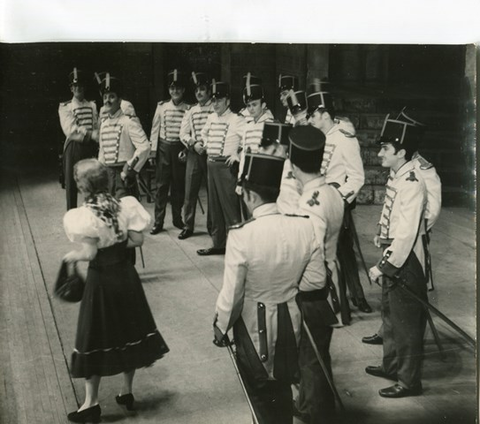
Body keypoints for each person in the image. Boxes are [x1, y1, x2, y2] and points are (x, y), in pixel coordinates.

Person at [213, 152, 328, 424]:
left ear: (251, 196)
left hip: (254, 326)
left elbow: (233, 294)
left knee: (261, 398)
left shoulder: (242, 235)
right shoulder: (305, 227)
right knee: (284, 390)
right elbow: (316, 280)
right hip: (292, 321)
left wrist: (221, 324)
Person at [62, 159, 169, 423]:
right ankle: (127, 391)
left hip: (102, 279)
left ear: (84, 186)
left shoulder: (86, 215)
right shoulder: (124, 206)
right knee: (128, 330)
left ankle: (91, 403)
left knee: (94, 335)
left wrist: (71, 257)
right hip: (125, 275)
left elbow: (90, 252)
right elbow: (138, 239)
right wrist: (117, 243)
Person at [362, 109, 442, 345]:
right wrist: (383, 228)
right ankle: (388, 334)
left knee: (408, 293)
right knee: (391, 291)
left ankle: (403, 340)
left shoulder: (422, 170)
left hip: (412, 238)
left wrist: (411, 231)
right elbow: (391, 202)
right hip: (395, 238)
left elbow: (432, 210)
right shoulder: (399, 167)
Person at [366, 115, 428, 398]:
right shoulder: (400, 174)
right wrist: (382, 231)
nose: (379, 153)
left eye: (385, 149)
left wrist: (383, 265)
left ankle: (409, 382)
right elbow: (391, 215)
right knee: (390, 316)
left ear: (401, 151)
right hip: (394, 251)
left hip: (406, 261)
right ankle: (391, 366)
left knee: (406, 326)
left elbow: (406, 235)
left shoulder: (413, 181)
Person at [289, 125, 344, 423]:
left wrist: (300, 291)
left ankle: (313, 413)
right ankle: (315, 405)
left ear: (295, 165)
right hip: (331, 285)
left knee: (310, 359)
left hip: (314, 292)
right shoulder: (332, 192)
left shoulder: (308, 205)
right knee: (318, 356)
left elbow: (311, 257)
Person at [307, 90, 372, 322]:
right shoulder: (316, 137)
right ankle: (330, 299)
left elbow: (357, 177)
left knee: (344, 251)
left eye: (313, 115)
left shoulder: (345, 139)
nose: (310, 120)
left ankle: (357, 295)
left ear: (324, 114)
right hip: (318, 202)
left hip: (337, 203)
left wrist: (339, 198)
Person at [197, 80, 246, 256]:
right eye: (214, 100)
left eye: (219, 100)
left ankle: (237, 247)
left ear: (227, 101)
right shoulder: (211, 117)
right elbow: (203, 133)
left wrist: (238, 155)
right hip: (211, 164)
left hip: (226, 168)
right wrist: (204, 142)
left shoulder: (237, 119)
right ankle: (219, 244)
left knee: (230, 208)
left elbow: (248, 140)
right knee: (214, 207)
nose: (215, 103)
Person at [150, 69, 191, 234]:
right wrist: (153, 152)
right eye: (172, 88)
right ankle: (158, 222)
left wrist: (187, 150)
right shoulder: (162, 106)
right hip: (164, 149)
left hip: (179, 149)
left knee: (178, 187)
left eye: (179, 88)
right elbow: (155, 129)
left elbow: (190, 131)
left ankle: (177, 219)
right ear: (169, 90)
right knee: (161, 187)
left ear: (183, 90)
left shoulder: (189, 108)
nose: (175, 91)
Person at [97, 74, 151, 200]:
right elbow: (102, 153)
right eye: (105, 97)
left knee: (126, 213)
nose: (107, 101)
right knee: (109, 213)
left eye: (112, 97)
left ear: (120, 100)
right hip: (107, 177)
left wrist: (129, 167)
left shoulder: (128, 122)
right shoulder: (103, 124)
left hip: (123, 176)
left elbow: (145, 147)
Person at [177, 71, 214, 240]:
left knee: (212, 192)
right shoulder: (191, 111)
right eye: (197, 90)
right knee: (190, 191)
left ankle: (213, 227)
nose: (199, 93)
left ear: (209, 91)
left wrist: (205, 146)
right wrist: (193, 143)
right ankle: (188, 225)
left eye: (203, 89)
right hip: (194, 154)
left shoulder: (215, 108)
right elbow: (182, 133)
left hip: (210, 153)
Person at [59, 68, 98, 210]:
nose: (78, 89)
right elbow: (70, 129)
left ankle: (92, 217)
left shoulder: (92, 105)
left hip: (90, 147)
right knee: (72, 185)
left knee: (91, 183)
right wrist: (90, 134)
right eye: (75, 86)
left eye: (80, 86)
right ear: (71, 88)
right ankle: (72, 220)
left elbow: (95, 125)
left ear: (85, 87)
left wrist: (96, 135)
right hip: (74, 147)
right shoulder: (65, 107)